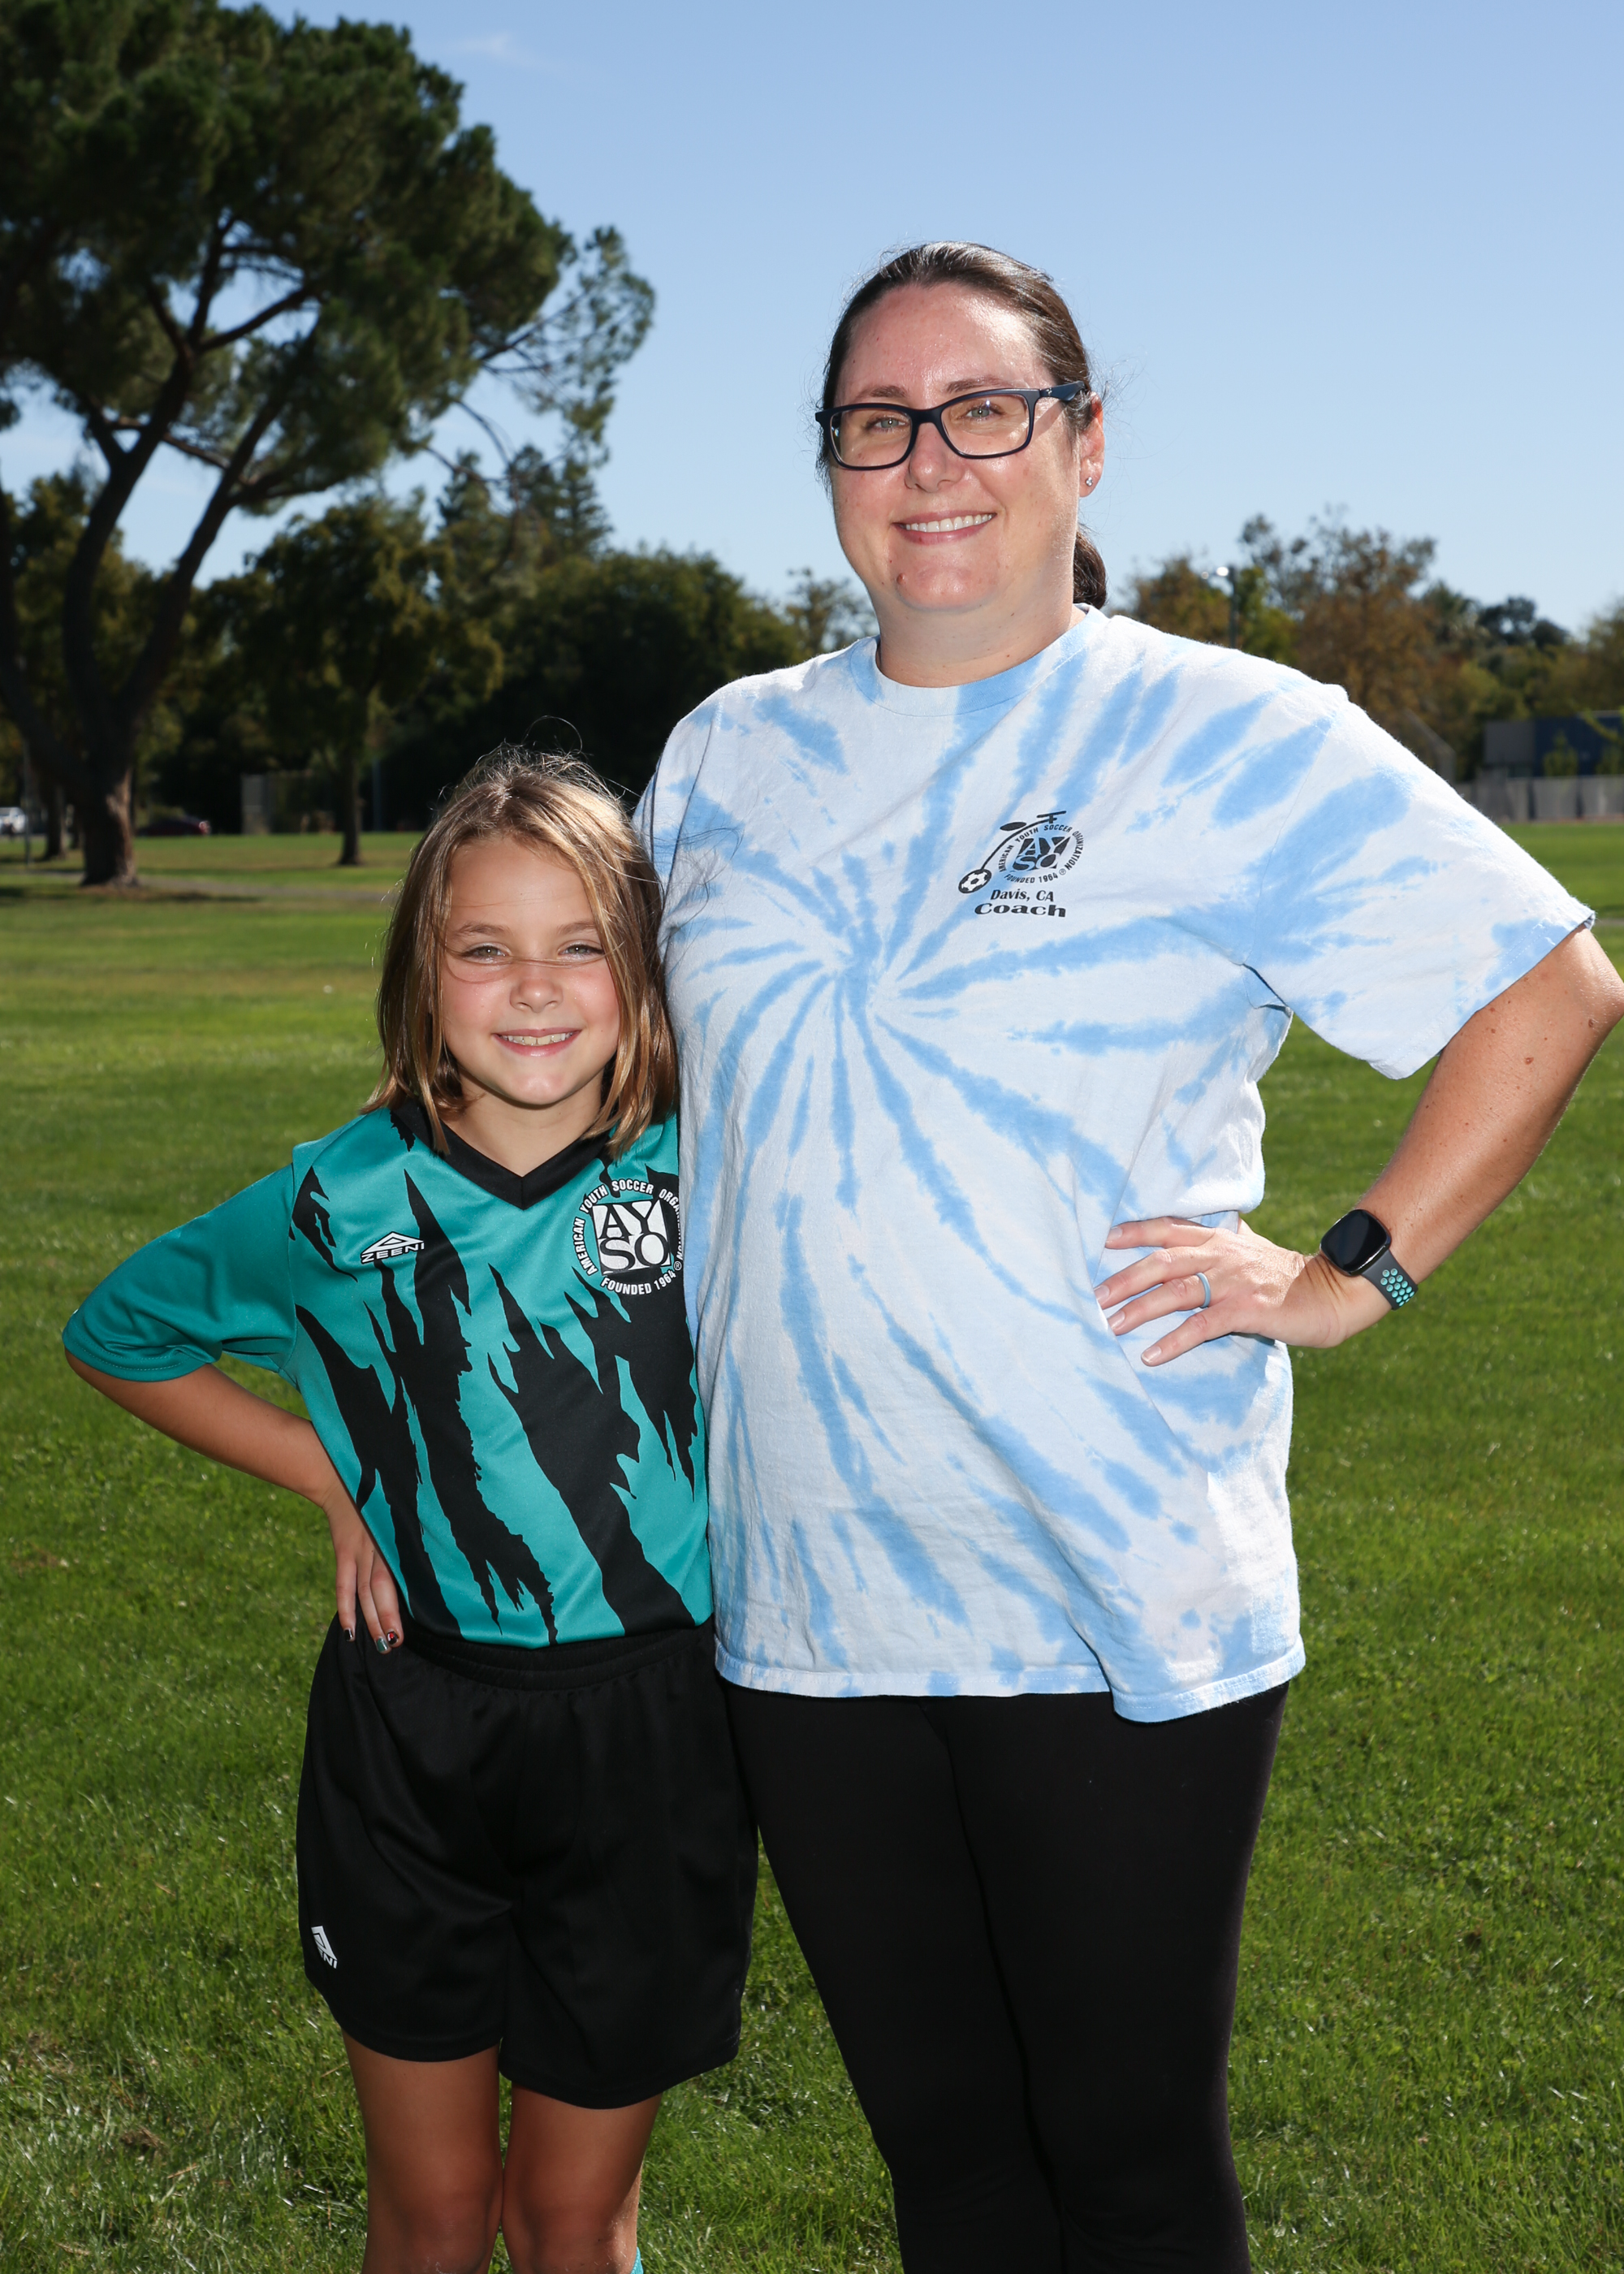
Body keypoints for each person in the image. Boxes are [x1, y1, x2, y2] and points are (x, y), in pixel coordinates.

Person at [637, 241, 1624, 2273]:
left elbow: (1547, 986)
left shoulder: (1221, 731)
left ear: (1083, 446)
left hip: (1112, 1581)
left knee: (1127, 2164)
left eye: (984, 408)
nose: (929, 458)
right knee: (946, 2167)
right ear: (828, 463)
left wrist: (1346, 1271)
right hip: (804, 1589)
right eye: (876, 420)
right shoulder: (725, 753)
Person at [63, 751, 756, 2274]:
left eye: (582, 945)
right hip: (410, 1734)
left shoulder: (714, 1165)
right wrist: (332, 1471)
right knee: (434, 2215)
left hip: (653, 1735)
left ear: (645, 972)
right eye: (484, 947)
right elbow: (119, 1333)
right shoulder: (336, 1199)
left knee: (572, 2219)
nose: (535, 988)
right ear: (421, 975)